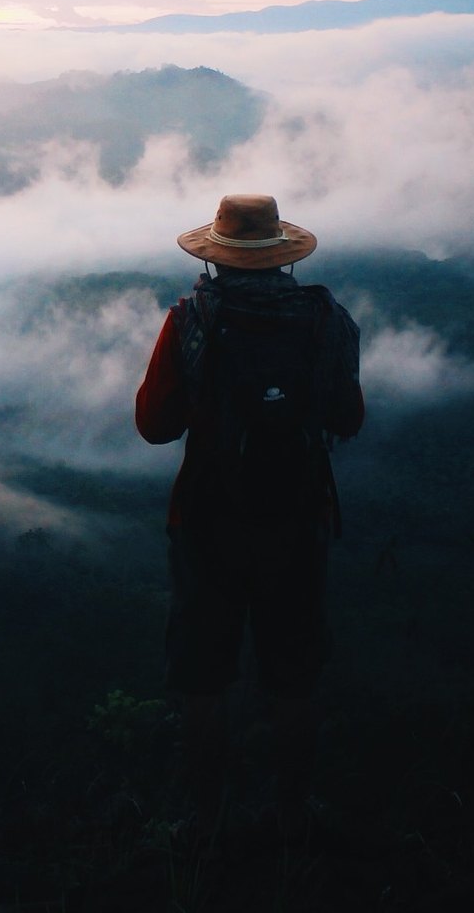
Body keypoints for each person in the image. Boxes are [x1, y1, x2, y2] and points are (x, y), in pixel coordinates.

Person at [135, 193, 364, 843]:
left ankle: (206, 821)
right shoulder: (326, 320)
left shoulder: (191, 321)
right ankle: (293, 816)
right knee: (295, 672)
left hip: (208, 519)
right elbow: (348, 418)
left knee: (203, 674)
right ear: (281, 257)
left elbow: (154, 426)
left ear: (218, 258)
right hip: (298, 518)